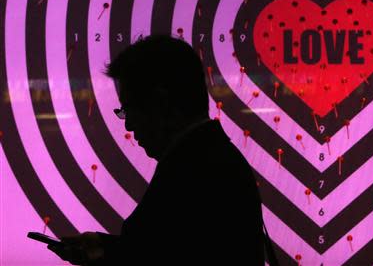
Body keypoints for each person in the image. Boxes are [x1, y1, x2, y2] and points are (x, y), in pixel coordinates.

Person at [47, 34, 269, 265]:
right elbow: (168, 249)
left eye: (129, 108)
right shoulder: (211, 159)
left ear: (161, 103)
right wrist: (108, 248)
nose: (129, 125)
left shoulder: (191, 170)